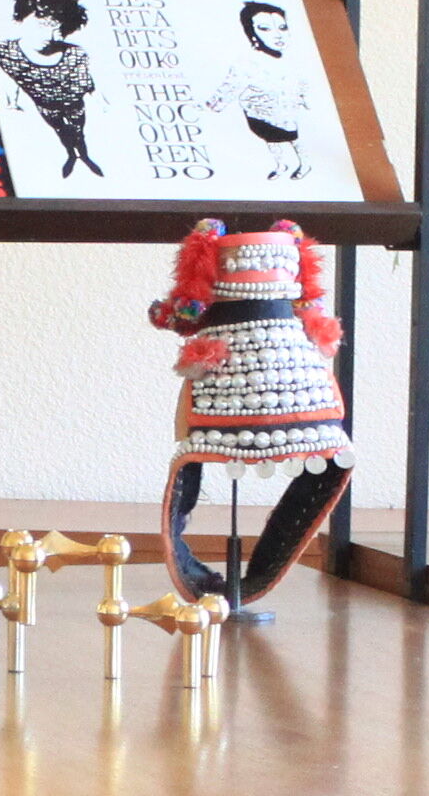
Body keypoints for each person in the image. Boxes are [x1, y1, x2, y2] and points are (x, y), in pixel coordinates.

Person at [147, 218, 353, 608]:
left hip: (221, 379)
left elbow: (181, 316)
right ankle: (238, 583)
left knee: (191, 459)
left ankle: (229, 585)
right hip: (298, 376)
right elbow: (316, 315)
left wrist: (162, 312)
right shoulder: (293, 247)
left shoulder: (209, 249)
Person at [0, 0, 106, 178]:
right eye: (42, 25)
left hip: (74, 104)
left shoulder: (75, 54)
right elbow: (9, 78)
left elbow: (88, 83)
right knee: (60, 131)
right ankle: (71, 156)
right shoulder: (5, 52)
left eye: (58, 28)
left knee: (78, 132)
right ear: (21, 19)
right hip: (45, 106)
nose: (50, 35)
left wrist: (102, 101)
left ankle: (84, 156)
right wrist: (11, 104)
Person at [229, 0, 309, 180]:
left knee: (292, 137)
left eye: (282, 27)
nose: (277, 34)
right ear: (252, 33)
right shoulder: (249, 61)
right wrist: (211, 106)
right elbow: (232, 85)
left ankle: (305, 163)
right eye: (265, 28)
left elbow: (301, 82)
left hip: (284, 106)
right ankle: (281, 165)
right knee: (270, 138)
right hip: (258, 109)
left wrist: (304, 98)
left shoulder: (292, 61)